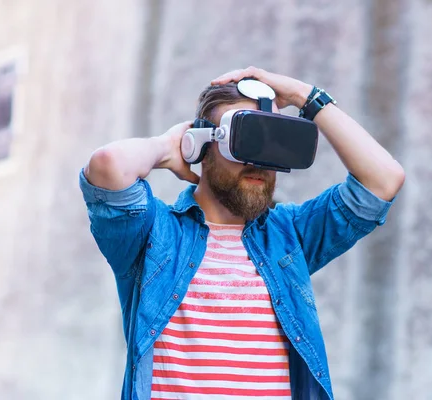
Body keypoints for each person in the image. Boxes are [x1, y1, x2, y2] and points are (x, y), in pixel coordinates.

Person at [79, 66, 405, 400]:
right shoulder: (153, 235)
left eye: (274, 142)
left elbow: (382, 180)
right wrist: (167, 146)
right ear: (200, 146)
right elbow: (107, 166)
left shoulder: (290, 236)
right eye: (247, 139)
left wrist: (303, 96)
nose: (259, 162)